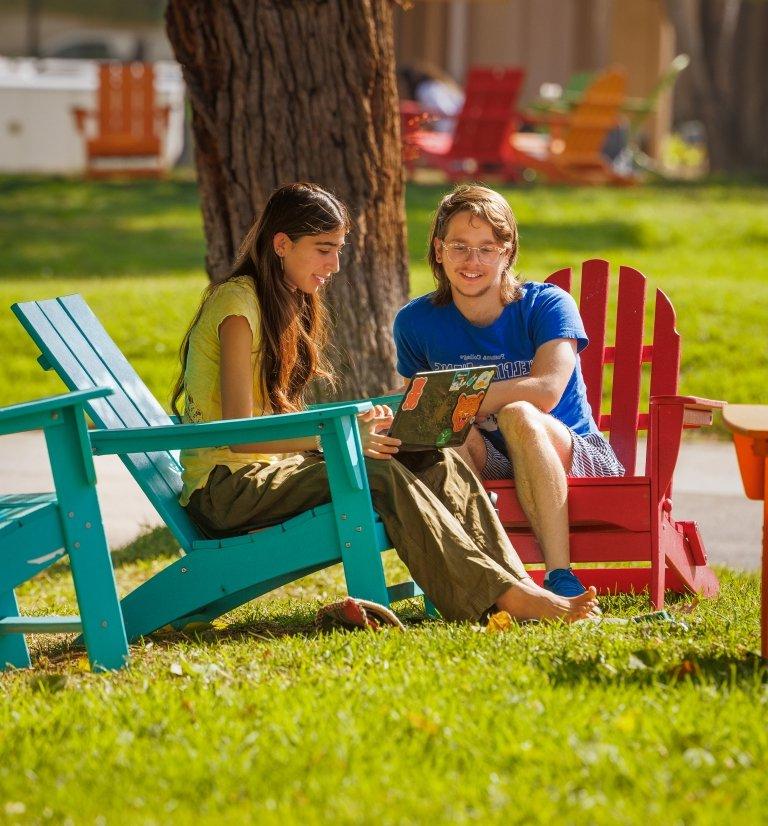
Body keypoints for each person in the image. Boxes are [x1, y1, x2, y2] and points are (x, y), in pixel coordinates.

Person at [171, 181, 597, 624]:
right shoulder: (238, 306)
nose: (334, 265)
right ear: (282, 244)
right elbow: (240, 436)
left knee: (429, 454)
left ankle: (518, 585)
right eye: (323, 249)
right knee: (375, 469)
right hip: (226, 490)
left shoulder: (280, 303)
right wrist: (338, 440)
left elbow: (272, 421)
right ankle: (507, 597)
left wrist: (358, 423)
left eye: (338, 249)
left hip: (271, 473)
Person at [393, 184, 625, 598]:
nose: (473, 261)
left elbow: (546, 391)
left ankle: (560, 576)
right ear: (438, 249)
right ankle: (491, 580)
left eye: (488, 248)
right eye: (460, 247)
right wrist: (451, 410)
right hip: (491, 457)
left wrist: (459, 399)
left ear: (508, 251)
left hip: (573, 452)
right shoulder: (415, 322)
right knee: (448, 434)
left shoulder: (546, 304)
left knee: (519, 413)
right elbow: (425, 412)